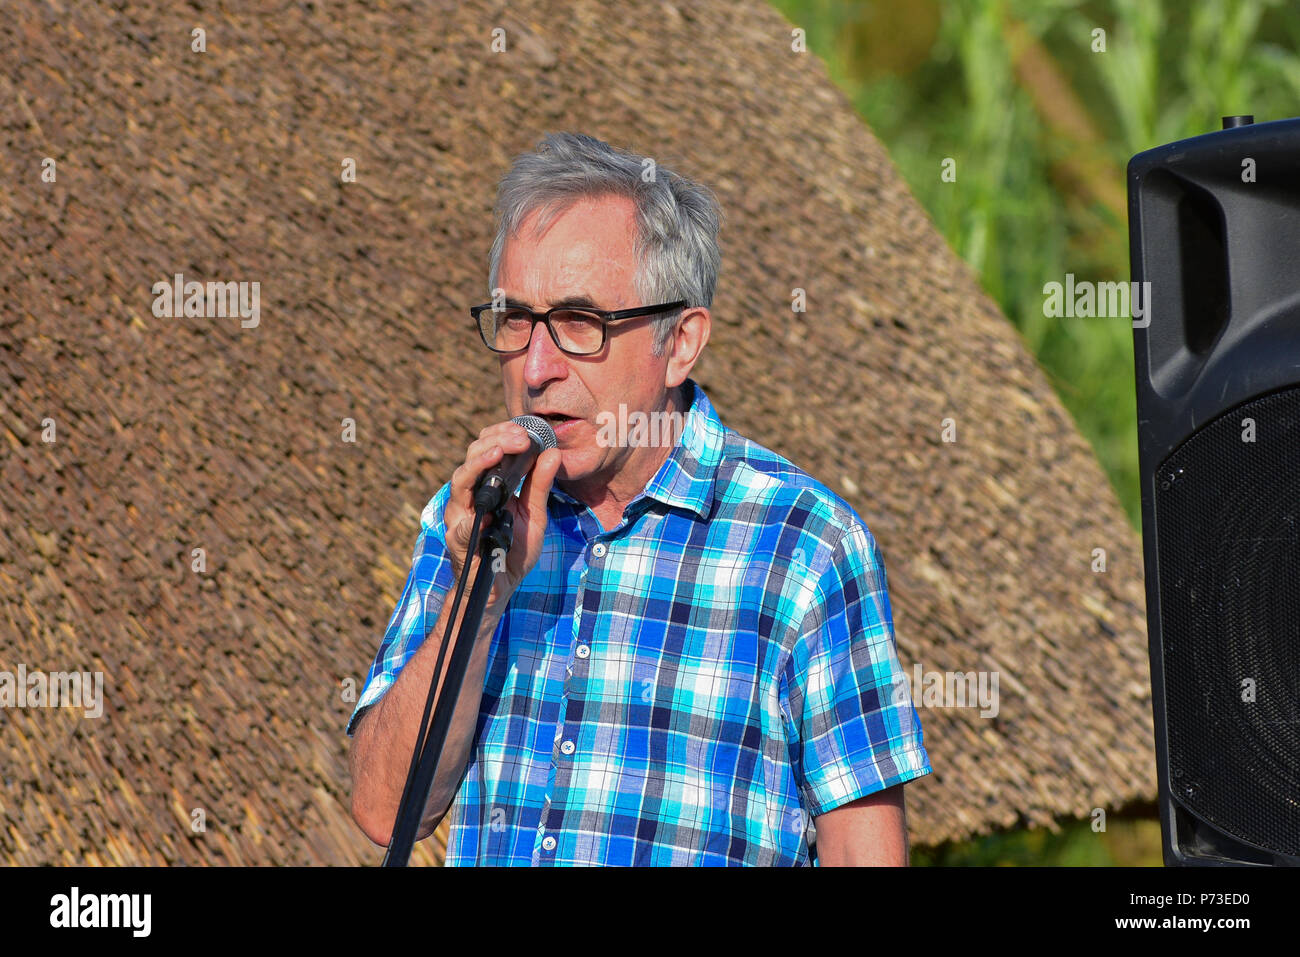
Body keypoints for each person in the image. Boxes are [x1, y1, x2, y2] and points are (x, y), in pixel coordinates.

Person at [348, 131, 931, 865]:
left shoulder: (805, 547)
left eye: (579, 324)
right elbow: (381, 808)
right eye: (517, 320)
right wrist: (480, 591)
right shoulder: (474, 516)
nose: (535, 366)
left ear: (681, 341)